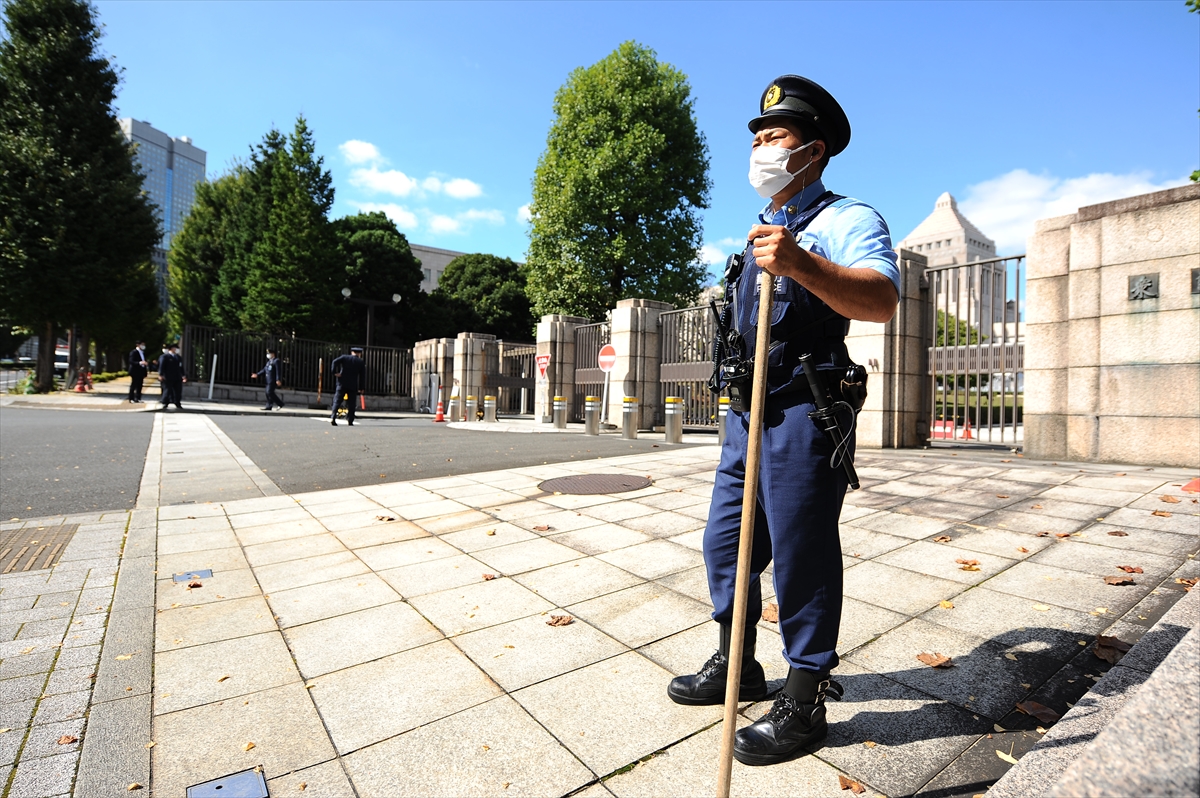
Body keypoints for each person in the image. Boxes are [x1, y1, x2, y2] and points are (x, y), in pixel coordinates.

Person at [666, 75, 900, 766]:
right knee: (726, 543)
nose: (761, 149)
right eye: (758, 139)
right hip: (745, 413)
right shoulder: (762, 229)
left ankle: (803, 699)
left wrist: (801, 263)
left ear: (814, 150)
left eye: (775, 138)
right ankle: (737, 665)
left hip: (805, 407)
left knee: (802, 551)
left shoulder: (844, 219)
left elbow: (882, 297)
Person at [329, 345, 366, 426]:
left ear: (352, 352)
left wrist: (334, 372)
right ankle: (350, 420)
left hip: (341, 383)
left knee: (337, 400)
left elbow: (334, 361)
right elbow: (362, 376)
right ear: (360, 354)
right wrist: (361, 388)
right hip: (352, 385)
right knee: (352, 403)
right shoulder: (360, 362)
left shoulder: (345, 358)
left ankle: (333, 416)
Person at [157, 342, 186, 410]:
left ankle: (177, 402)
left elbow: (181, 367)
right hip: (168, 377)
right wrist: (161, 374)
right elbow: (161, 366)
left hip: (177, 377)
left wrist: (183, 375)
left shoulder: (178, 357)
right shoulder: (165, 357)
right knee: (167, 390)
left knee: (178, 391)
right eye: (174, 348)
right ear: (171, 349)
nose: (176, 349)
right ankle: (165, 402)